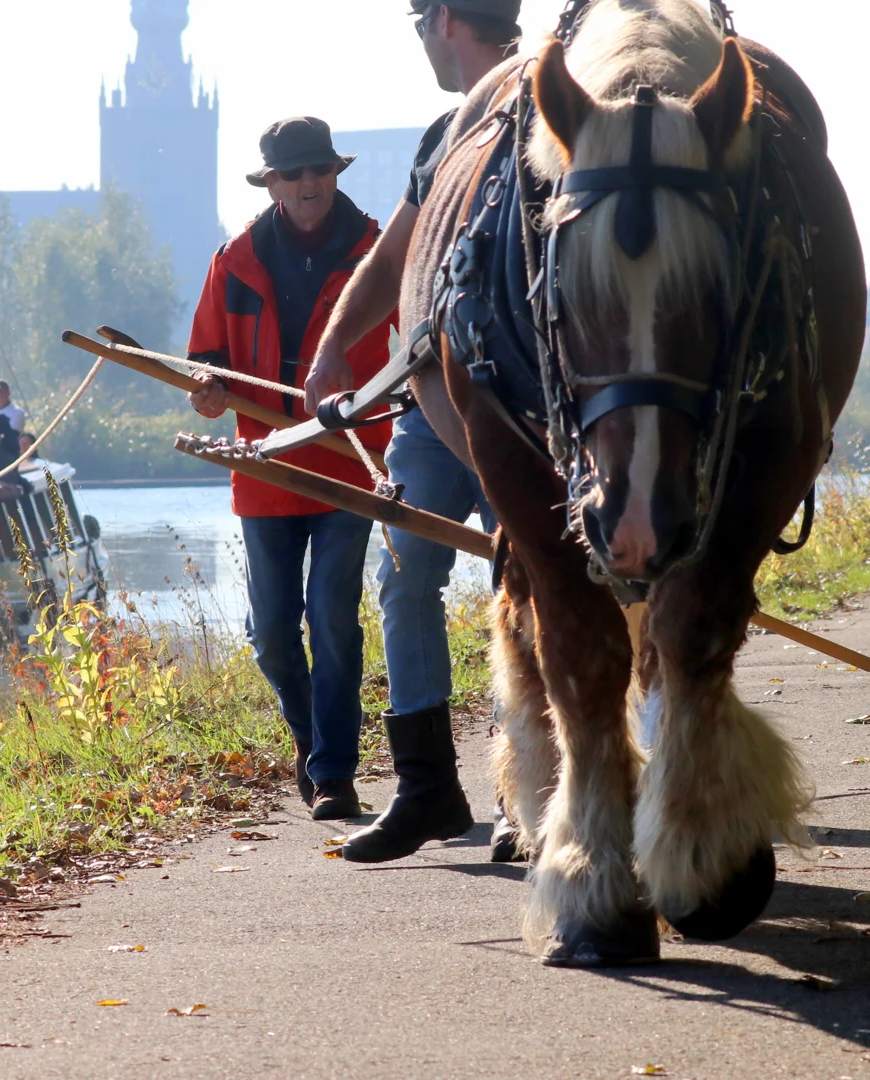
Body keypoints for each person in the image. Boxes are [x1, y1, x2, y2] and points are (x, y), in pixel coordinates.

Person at [305, 0, 522, 863]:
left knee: (533, 593)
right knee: (403, 582)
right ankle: (427, 786)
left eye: (417, 21)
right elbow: (392, 257)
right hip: (430, 408)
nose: (419, 39)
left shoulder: (548, 110)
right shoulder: (442, 136)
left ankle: (527, 793)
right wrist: (329, 358)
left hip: (520, 417)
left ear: (443, 22)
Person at [187, 116, 396, 822]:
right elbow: (206, 367)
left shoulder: (376, 255)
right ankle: (310, 739)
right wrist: (210, 392)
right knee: (272, 632)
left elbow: (412, 357)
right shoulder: (234, 259)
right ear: (271, 183)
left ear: (336, 173)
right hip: (265, 467)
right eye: (293, 173)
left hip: (347, 465)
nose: (308, 184)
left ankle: (335, 772)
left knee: (333, 617)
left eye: (319, 170)